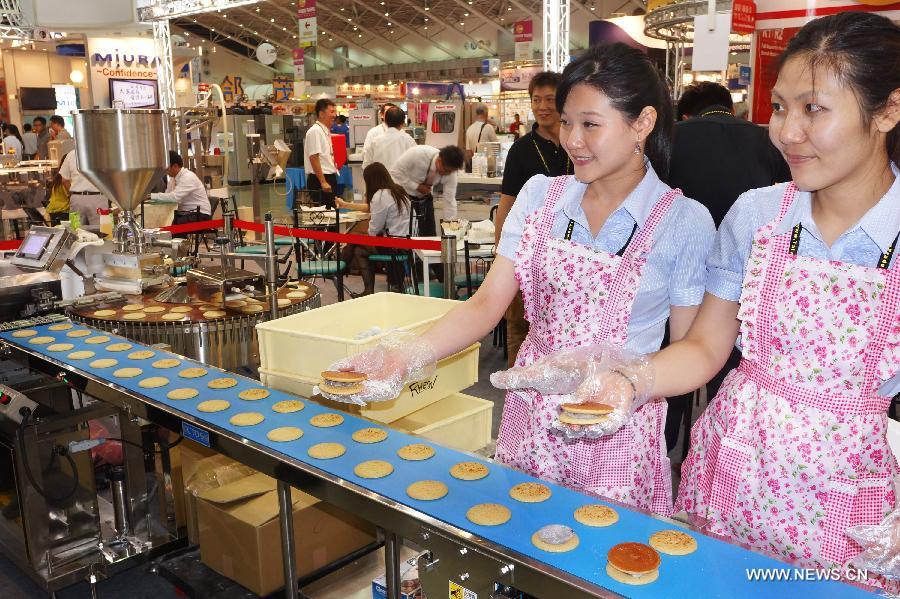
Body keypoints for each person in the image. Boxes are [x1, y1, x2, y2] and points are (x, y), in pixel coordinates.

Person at [547, 13, 900, 591]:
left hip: (848, 503)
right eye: (780, 107)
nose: (785, 132)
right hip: (735, 470)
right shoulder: (758, 216)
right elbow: (708, 346)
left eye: (813, 109)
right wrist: (631, 381)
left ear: (887, 110)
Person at [334, 43, 715, 514]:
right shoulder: (541, 198)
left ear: (642, 123)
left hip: (617, 424)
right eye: (567, 121)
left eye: (590, 124)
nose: (572, 139)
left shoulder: (684, 222)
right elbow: (486, 304)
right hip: (531, 412)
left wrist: (630, 380)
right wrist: (405, 355)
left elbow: (689, 348)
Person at [664, 82, 791, 453]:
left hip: (678, 277)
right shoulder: (766, 140)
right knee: (730, 371)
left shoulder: (673, 137)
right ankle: (716, 448)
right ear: (729, 108)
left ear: (687, 113)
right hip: (745, 281)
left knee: (676, 366)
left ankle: (667, 448)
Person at [496, 71, 571, 367]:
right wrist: (501, 249)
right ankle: (518, 384)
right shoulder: (521, 150)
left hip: (569, 250)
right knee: (519, 323)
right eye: (536, 100)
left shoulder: (576, 144)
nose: (542, 106)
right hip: (526, 249)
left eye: (550, 99)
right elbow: (507, 203)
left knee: (561, 324)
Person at [670, 82, 790, 227]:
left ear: (685, 117)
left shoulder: (672, 135)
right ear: (732, 109)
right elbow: (789, 187)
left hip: (685, 234)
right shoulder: (764, 136)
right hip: (750, 237)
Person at [340, 163, 411, 295]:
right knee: (357, 243)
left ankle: (341, 267)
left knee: (357, 245)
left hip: (392, 245)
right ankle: (342, 266)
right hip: (407, 243)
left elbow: (373, 231)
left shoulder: (380, 195)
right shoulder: (399, 191)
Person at [390, 144, 464, 236]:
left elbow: (449, 199)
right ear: (439, 160)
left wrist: (451, 226)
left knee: (429, 235)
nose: (447, 174)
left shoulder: (451, 173)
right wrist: (416, 186)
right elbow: (395, 171)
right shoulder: (417, 154)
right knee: (409, 234)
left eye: (451, 172)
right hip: (405, 196)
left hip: (425, 197)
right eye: (446, 170)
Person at [150, 151, 211, 226]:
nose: (165, 172)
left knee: (171, 224)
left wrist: (151, 196)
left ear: (175, 166)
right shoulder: (173, 180)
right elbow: (167, 196)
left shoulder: (188, 177)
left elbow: (174, 197)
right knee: (162, 221)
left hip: (200, 215)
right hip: (186, 213)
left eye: (167, 168)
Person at [303, 98, 339, 208]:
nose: (334, 115)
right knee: (324, 216)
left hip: (328, 177)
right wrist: (323, 182)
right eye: (331, 112)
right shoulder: (315, 131)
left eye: (335, 112)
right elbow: (314, 157)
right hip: (320, 180)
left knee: (331, 214)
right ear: (321, 113)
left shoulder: (324, 131)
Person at [59, 149, 107, 225]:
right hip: (99, 198)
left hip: (76, 199)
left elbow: (64, 180)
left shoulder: (71, 154)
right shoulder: (104, 154)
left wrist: (72, 194)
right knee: (104, 231)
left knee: (76, 231)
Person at [362, 106, 415, 171]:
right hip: (403, 180)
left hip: (381, 180)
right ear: (403, 123)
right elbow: (416, 164)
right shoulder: (409, 140)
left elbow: (366, 166)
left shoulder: (375, 141)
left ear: (385, 121)